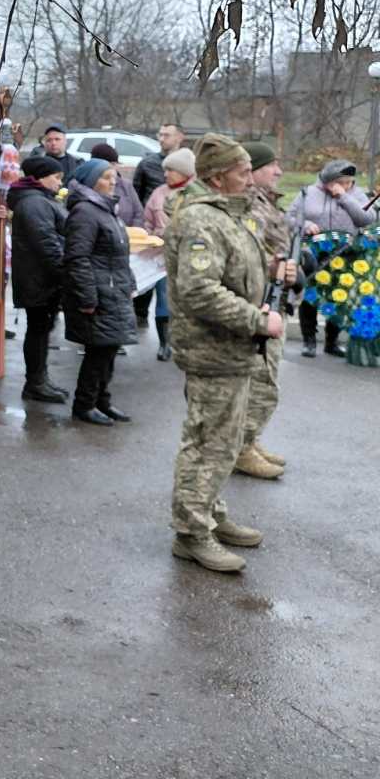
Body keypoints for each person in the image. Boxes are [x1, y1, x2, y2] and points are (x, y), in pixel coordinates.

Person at [166, 134, 283, 573]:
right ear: (217, 178)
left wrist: (262, 294)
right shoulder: (201, 220)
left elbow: (232, 275)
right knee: (207, 443)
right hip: (211, 350)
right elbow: (199, 291)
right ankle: (191, 533)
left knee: (224, 441)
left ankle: (209, 516)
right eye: (241, 171)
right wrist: (256, 320)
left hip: (231, 348)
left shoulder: (228, 214)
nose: (249, 177)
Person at [237, 142, 296, 480]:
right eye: (272, 165)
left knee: (266, 379)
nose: (279, 171)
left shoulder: (266, 203)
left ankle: (251, 439)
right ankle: (242, 447)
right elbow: (258, 255)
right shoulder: (251, 207)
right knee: (262, 382)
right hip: (261, 302)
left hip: (274, 300)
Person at [63, 157, 138, 425]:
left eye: (113, 177)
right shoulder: (85, 211)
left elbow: (120, 255)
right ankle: (84, 404)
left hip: (114, 291)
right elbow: (77, 258)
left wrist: (129, 283)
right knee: (98, 352)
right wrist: (87, 296)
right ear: (91, 181)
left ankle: (102, 401)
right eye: (106, 177)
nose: (112, 181)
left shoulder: (106, 209)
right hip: (98, 293)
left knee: (109, 349)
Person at [287, 159, 377, 358]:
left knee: (338, 295)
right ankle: (309, 340)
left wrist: (344, 196)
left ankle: (331, 341)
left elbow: (366, 219)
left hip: (345, 252)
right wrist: (306, 224)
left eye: (350, 182)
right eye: (342, 181)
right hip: (313, 252)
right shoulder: (308, 193)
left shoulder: (356, 194)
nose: (347, 185)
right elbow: (290, 217)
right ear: (328, 180)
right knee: (310, 296)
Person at [7, 155, 70, 403]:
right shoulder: (34, 203)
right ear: (40, 177)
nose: (59, 183)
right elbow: (47, 243)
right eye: (56, 177)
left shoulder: (39, 199)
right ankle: (35, 383)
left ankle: (40, 379)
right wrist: (65, 273)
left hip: (41, 278)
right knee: (38, 330)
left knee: (41, 330)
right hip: (39, 279)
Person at [142, 147, 197, 361]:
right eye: (165, 170)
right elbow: (146, 219)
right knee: (164, 298)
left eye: (171, 170)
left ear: (185, 172)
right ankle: (164, 344)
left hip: (190, 257)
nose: (166, 174)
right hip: (161, 255)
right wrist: (148, 234)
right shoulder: (159, 193)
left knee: (188, 301)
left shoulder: (197, 193)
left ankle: (186, 343)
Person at [133, 124, 190, 327]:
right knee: (148, 285)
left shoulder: (192, 171)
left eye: (167, 134)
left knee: (169, 293)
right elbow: (136, 195)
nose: (162, 138)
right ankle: (141, 316)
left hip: (183, 249)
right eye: (160, 134)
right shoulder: (147, 164)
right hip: (154, 240)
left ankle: (168, 337)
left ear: (180, 137)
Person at [89, 142, 143, 226]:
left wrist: (132, 232)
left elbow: (138, 213)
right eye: (111, 164)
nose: (115, 168)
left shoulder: (126, 185)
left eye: (115, 164)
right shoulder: (89, 185)